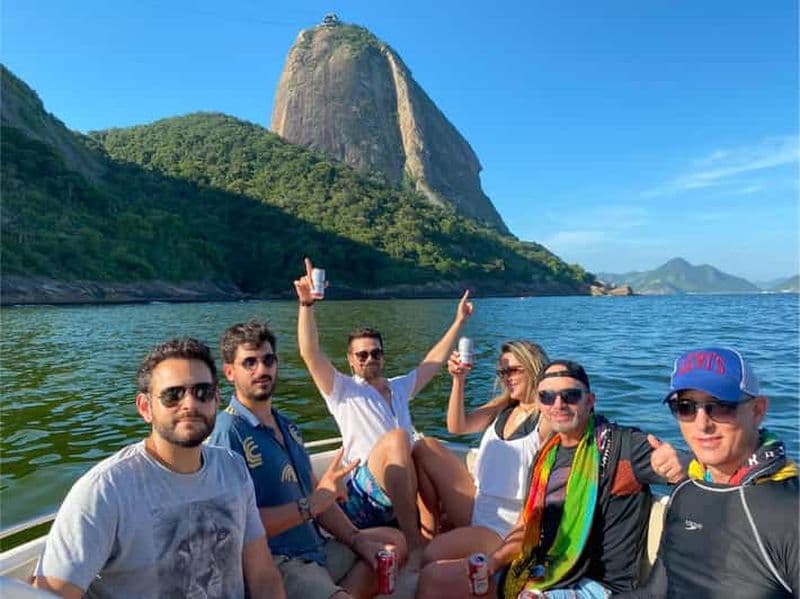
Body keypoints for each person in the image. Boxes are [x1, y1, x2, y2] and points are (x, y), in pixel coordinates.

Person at [32, 338, 285, 599]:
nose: (190, 404)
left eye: (203, 392)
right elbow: (51, 594)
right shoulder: (105, 491)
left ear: (217, 399)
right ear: (145, 408)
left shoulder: (233, 469)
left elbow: (262, 575)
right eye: (172, 395)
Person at [418, 359, 685, 599]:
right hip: (539, 570)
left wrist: (683, 462)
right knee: (433, 580)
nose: (558, 404)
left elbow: (693, 468)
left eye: (570, 395)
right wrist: (493, 562)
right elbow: (525, 526)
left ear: (590, 400)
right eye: (547, 396)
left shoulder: (623, 446)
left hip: (595, 584)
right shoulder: (545, 457)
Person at [208, 319, 406, 599]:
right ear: (229, 372)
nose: (261, 369)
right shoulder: (228, 433)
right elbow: (234, 527)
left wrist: (355, 538)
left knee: (394, 544)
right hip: (281, 560)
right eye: (249, 363)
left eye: (268, 360)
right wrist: (310, 506)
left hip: (316, 548)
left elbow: (319, 498)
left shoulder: (288, 427)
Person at [294, 258, 473, 557]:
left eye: (375, 353)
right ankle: (416, 546)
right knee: (400, 438)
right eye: (361, 355)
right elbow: (310, 353)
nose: (369, 359)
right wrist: (307, 306)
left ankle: (443, 534)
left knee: (424, 446)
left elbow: (433, 361)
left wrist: (459, 321)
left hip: (401, 490)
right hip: (362, 497)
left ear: (383, 357)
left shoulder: (400, 387)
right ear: (350, 360)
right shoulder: (342, 390)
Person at [618, 347, 798, 598]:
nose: (702, 424)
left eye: (721, 406)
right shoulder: (688, 491)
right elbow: (655, 592)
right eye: (686, 407)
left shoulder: (790, 511)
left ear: (758, 410)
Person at [416, 340, 551, 567]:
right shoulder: (503, 408)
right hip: (478, 504)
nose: (507, 377)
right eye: (503, 371)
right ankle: (428, 533)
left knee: (432, 555)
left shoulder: (546, 419)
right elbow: (456, 427)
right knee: (424, 447)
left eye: (513, 370)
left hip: (503, 527)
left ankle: (442, 543)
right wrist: (458, 381)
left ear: (534, 368)